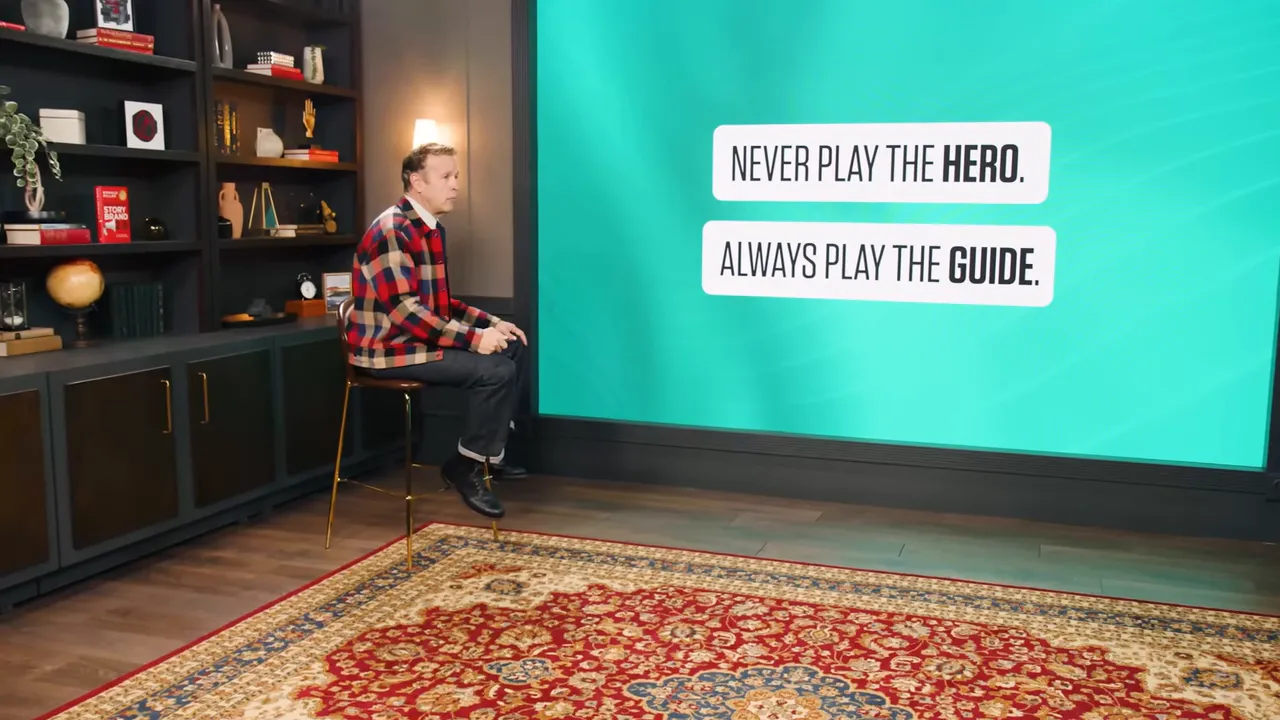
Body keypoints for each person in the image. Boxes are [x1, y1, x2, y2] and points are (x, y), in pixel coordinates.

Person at [345, 142, 528, 519]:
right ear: (417, 181)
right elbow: (406, 312)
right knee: (496, 370)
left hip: (415, 341)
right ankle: (467, 467)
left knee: (511, 347)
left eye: (456, 176)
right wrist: (475, 340)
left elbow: (440, 305)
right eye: (446, 176)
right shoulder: (391, 231)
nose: (456, 185)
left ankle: (487, 457)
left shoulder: (430, 228)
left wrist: (491, 323)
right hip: (387, 350)